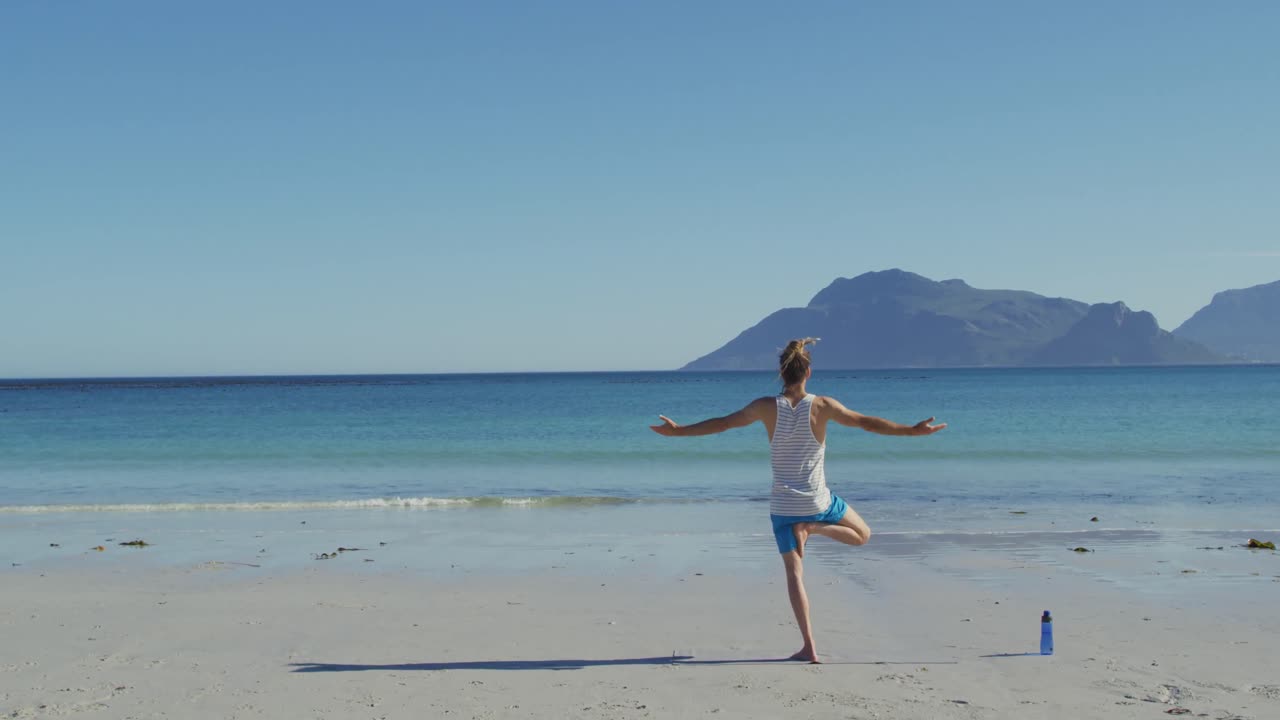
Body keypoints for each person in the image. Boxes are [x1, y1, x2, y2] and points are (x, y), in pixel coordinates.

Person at [649, 338, 945, 663]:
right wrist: (910, 431)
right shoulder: (823, 406)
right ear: (808, 372)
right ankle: (814, 529)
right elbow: (864, 422)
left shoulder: (764, 406)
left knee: (794, 575)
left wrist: (679, 432)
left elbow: (722, 423)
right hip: (818, 502)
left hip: (782, 505)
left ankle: (809, 647)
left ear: (781, 372)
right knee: (863, 535)